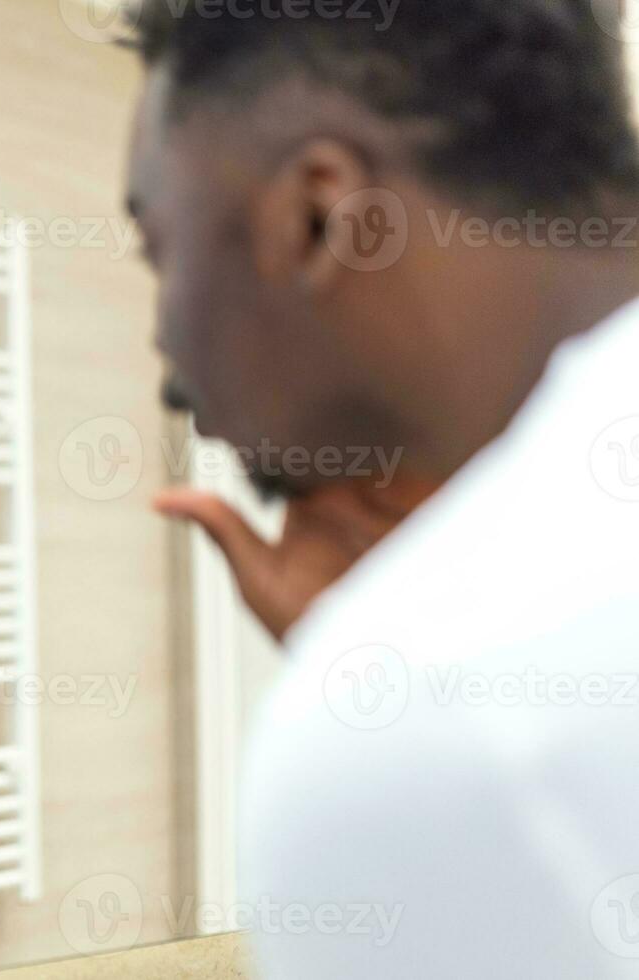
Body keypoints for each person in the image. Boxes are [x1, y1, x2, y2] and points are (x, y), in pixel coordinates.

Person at [126, 0, 639, 975]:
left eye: (161, 250)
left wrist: (389, 674)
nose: (166, 356)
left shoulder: (434, 732)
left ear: (321, 216)